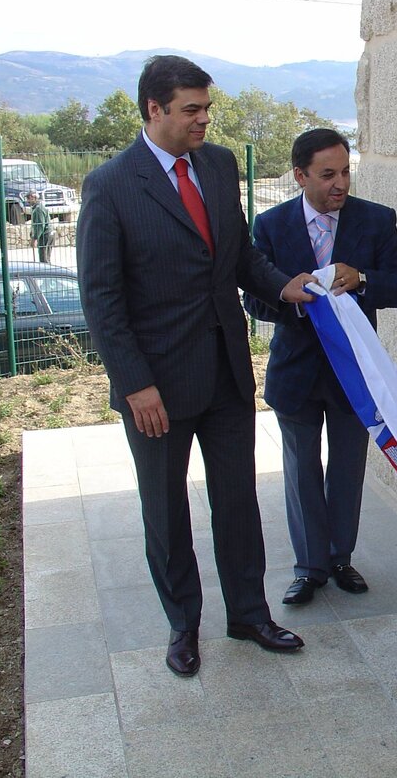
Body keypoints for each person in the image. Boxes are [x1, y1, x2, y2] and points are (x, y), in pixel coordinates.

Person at [77, 55, 318, 678]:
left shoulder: (217, 165)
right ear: (154, 111)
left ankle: (248, 614)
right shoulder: (111, 184)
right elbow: (102, 300)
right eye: (191, 109)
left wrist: (287, 286)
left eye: (206, 107)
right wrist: (135, 385)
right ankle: (184, 625)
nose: (204, 119)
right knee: (166, 509)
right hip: (154, 387)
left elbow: (241, 259)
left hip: (227, 374)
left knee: (238, 500)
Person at [243, 128, 397, 606]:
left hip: (355, 377)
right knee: (301, 472)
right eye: (328, 175)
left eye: (346, 171)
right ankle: (309, 568)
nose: (340, 183)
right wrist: (291, 296)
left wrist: (362, 279)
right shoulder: (271, 226)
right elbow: (253, 304)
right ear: (300, 176)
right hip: (296, 376)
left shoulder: (376, 221)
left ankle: (341, 558)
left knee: (347, 469)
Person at [28, 191, 52, 263]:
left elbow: (40, 225)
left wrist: (34, 238)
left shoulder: (38, 209)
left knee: (44, 259)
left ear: (34, 198)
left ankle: (46, 273)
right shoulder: (38, 207)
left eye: (29, 198)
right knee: (46, 257)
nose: (28, 200)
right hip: (47, 234)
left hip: (45, 235)